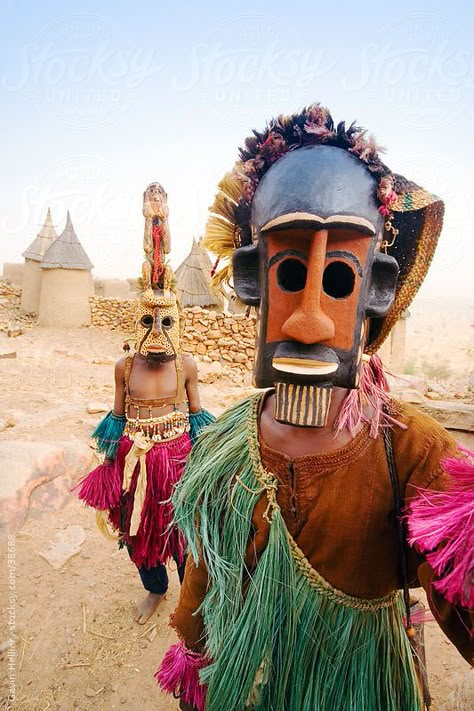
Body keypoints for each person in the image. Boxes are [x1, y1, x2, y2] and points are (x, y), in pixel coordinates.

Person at [156, 105, 473, 710]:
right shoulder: (225, 447)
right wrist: (196, 655)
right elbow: (204, 575)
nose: (307, 319)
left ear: (375, 289)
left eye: (338, 280)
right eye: (291, 270)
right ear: (252, 278)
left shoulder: (409, 449)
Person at [75, 183, 214, 624]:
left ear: (179, 319)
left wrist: (209, 460)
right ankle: (155, 590)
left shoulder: (187, 366)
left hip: (177, 461)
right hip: (134, 460)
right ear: (137, 319)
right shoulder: (123, 367)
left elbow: (198, 419)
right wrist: (108, 462)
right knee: (139, 533)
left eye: (166, 319)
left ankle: (191, 593)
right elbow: (116, 416)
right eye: (149, 319)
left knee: (181, 533)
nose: (157, 330)